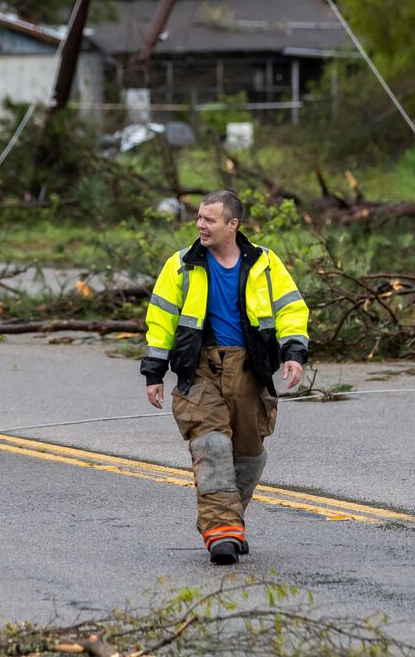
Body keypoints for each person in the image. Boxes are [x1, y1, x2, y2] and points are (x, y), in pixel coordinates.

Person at [141, 190, 309, 564]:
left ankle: (229, 520)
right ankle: (222, 532)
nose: (200, 224)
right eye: (199, 217)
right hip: (199, 370)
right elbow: (160, 319)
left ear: (232, 224)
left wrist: (294, 354)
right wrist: (154, 372)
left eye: (210, 219)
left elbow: (291, 309)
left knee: (248, 456)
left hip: (250, 370)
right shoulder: (182, 264)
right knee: (213, 447)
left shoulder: (265, 263)